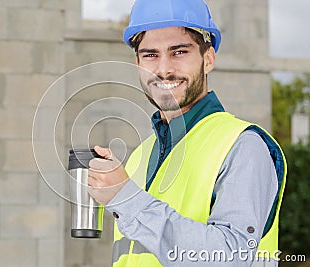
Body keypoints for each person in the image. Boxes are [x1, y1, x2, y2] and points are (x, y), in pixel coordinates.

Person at [87, 0, 287, 266]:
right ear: (137, 62)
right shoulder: (139, 158)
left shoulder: (242, 146)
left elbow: (231, 258)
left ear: (208, 59)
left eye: (179, 52)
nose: (163, 69)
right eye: (150, 55)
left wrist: (126, 198)